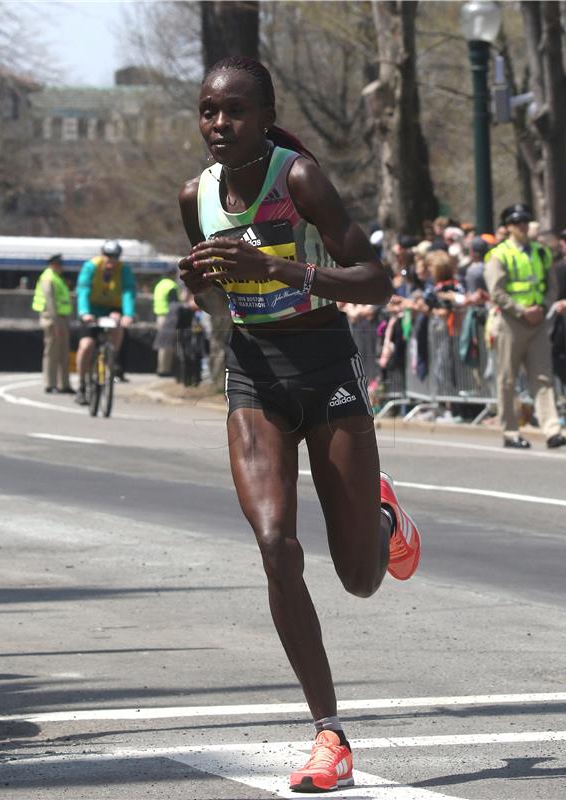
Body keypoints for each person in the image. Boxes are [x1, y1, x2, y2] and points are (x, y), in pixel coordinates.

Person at [177, 56, 421, 793]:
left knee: (359, 579)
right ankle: (328, 734)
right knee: (275, 544)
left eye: (235, 112)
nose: (219, 125)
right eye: (208, 111)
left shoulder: (299, 180)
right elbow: (218, 299)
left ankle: (384, 520)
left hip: (324, 367)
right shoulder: (196, 195)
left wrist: (290, 272)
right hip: (253, 374)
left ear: (264, 114)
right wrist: (198, 283)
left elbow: (377, 281)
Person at [484, 204, 566, 449]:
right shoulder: (500, 254)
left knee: (542, 378)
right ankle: (511, 432)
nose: (522, 225)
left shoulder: (542, 252)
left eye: (525, 220)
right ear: (508, 226)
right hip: (511, 322)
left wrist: (542, 307)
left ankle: (552, 430)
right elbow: (495, 291)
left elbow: (551, 286)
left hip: (537, 321)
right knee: (507, 380)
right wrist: (522, 311)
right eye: (517, 221)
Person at [74, 240, 136, 405]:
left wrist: (128, 314)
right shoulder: (91, 267)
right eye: (108, 256)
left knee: (118, 326)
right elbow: (83, 289)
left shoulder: (124, 269)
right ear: (102, 255)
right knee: (86, 346)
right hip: (92, 311)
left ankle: (111, 359)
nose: (111, 260)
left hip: (113, 310)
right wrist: (84, 312)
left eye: (114, 257)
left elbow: (128, 291)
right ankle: (81, 385)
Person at [31, 253, 74, 394]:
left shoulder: (56, 277)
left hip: (61, 318)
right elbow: (50, 302)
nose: (62, 267)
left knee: (63, 353)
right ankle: (50, 384)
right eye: (60, 264)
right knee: (52, 353)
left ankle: (64, 384)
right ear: (53, 264)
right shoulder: (48, 277)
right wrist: (56, 324)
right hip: (52, 319)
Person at [152, 265, 181, 377]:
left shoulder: (159, 285)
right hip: (168, 317)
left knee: (162, 344)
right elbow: (174, 303)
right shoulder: (171, 286)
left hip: (159, 316)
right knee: (167, 345)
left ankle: (161, 368)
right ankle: (164, 370)